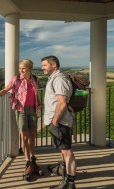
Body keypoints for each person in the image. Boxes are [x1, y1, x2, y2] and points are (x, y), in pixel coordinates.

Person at [0, 59, 41, 181]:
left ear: (29, 68)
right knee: (24, 135)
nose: (21, 70)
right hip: (21, 110)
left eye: (23, 68)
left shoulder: (35, 79)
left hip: (33, 110)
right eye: (20, 68)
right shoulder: (16, 79)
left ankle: (33, 158)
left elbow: (35, 94)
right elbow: (7, 88)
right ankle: (27, 161)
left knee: (32, 136)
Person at [41, 55, 76, 189]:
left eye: (44, 65)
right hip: (58, 121)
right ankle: (64, 172)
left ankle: (70, 183)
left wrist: (55, 121)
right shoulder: (55, 78)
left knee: (67, 152)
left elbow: (62, 103)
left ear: (53, 65)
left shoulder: (59, 79)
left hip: (60, 122)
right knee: (63, 150)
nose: (42, 67)